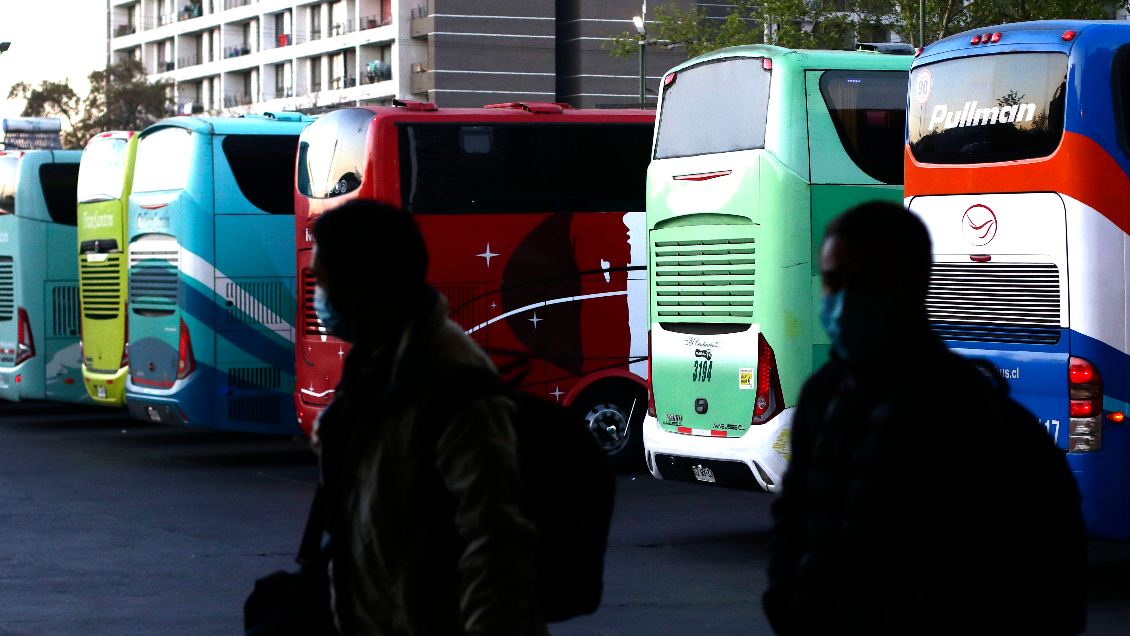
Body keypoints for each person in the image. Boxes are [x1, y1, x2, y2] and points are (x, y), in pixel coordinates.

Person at [763, 201, 1085, 636]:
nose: (840, 303)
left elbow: (988, 569)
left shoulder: (966, 413)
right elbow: (795, 514)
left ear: (911, 287)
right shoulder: (823, 394)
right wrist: (786, 602)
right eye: (832, 283)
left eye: (862, 284)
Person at [309, 200, 547, 636]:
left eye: (322, 283)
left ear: (360, 285)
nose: (317, 299)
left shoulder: (453, 382)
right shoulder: (374, 368)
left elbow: (496, 548)